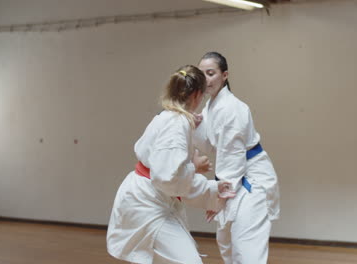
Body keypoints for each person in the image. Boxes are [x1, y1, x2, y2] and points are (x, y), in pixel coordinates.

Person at [106, 65, 236, 264]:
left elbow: (168, 171)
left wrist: (210, 189)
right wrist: (198, 170)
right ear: (197, 95)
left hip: (147, 196)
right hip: (147, 203)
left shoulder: (170, 117)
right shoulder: (177, 123)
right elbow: (168, 178)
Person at [194, 52, 280, 263]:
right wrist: (196, 126)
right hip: (234, 176)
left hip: (251, 179)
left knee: (247, 249)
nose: (205, 79)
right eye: (201, 74)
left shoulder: (232, 108)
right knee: (226, 242)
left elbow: (232, 158)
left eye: (211, 73)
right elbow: (209, 145)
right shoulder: (210, 106)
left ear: (225, 75)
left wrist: (217, 197)